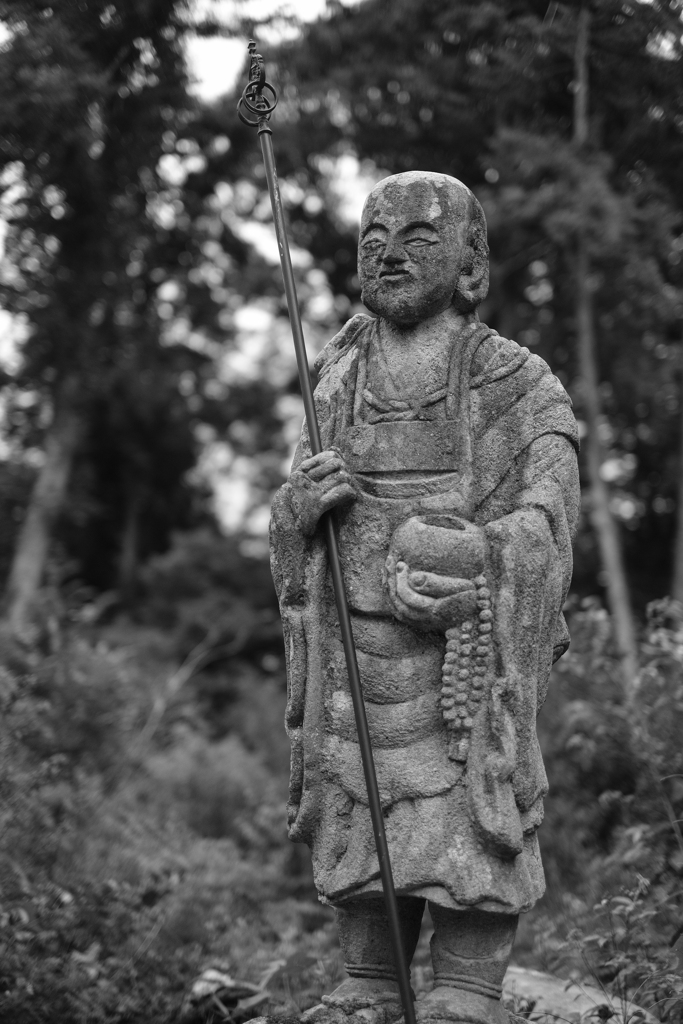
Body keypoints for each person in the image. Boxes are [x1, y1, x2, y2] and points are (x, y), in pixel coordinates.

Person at [270, 171, 580, 1024]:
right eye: (373, 237)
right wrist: (302, 510)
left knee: (466, 827)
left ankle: (468, 985)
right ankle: (370, 978)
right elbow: (289, 521)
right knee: (360, 821)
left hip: (462, 674)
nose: (389, 251)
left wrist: (479, 566)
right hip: (352, 667)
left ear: (472, 265)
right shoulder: (333, 379)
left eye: (417, 235)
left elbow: (548, 522)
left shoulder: (515, 384)